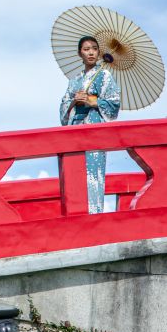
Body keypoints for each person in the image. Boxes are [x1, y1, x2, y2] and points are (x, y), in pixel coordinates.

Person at [59, 35, 121, 214]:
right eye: (86, 49)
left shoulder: (105, 75)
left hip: (94, 128)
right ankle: (76, 212)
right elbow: (63, 108)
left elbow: (114, 103)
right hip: (76, 127)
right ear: (80, 53)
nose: (91, 52)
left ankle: (95, 213)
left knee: (94, 172)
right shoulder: (74, 80)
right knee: (74, 171)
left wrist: (91, 100)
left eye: (94, 48)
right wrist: (73, 101)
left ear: (99, 52)